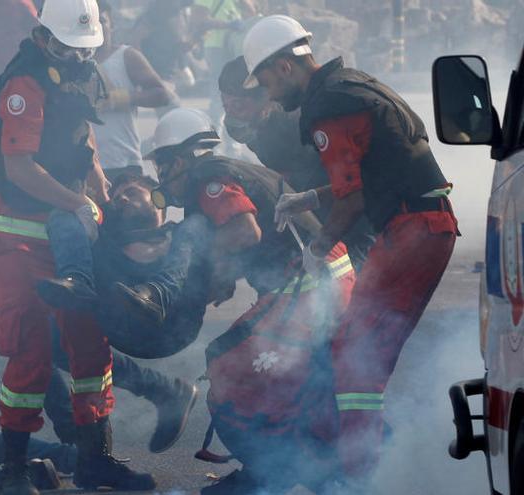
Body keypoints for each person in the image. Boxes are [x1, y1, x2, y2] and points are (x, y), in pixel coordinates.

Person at [242, 15, 459, 486]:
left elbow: (356, 196)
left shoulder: (329, 106)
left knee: (355, 358)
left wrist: (317, 248)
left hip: (412, 231)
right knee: (358, 351)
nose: (269, 96)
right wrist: (313, 197)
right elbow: (372, 171)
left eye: (264, 81)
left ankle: (358, 477)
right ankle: (367, 461)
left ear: (283, 66)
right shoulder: (350, 84)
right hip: (421, 225)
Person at [0, 101, 201, 457]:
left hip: (70, 263)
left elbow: (86, 159)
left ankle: (122, 419)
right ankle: (93, 435)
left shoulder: (27, 155)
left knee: (71, 349)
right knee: (38, 347)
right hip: (35, 270)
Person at [119, 108, 356, 494]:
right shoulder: (231, 167)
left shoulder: (208, 179)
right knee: (299, 382)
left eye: (162, 167)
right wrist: (222, 276)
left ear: (179, 160)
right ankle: (318, 467)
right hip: (324, 278)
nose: (162, 178)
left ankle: (267, 474)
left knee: (227, 366)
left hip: (307, 286)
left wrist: (202, 266)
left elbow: (245, 232)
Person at [0, 0, 156, 491]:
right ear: (43, 39)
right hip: (16, 228)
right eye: (69, 49)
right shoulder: (24, 84)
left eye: (87, 49)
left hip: (68, 219)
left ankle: (96, 460)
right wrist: (77, 203)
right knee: (31, 348)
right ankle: (14, 471)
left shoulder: (81, 69)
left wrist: (98, 187)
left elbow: (84, 138)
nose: (80, 58)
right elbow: (19, 168)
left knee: (89, 340)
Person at [218, 55, 374, 269]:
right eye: (226, 106)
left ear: (266, 99)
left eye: (238, 105)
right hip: (320, 209)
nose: (232, 115)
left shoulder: (301, 123)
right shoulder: (259, 127)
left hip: (353, 215)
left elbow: (354, 188)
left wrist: (322, 241)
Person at [92, 0, 175, 180]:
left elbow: (162, 95)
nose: (97, 27)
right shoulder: (69, 61)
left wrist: (118, 98)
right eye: (91, 21)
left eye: (102, 21)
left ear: (112, 25)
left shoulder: (126, 56)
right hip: (83, 165)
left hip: (123, 161)